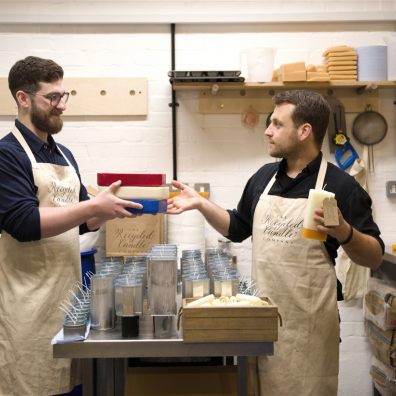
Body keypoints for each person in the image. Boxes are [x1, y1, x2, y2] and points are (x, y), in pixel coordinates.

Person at [167, 89, 384, 396]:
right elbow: (237, 227)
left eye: (277, 124)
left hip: (309, 330)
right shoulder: (263, 178)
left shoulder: (341, 186)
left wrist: (345, 232)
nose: (268, 131)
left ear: (304, 130)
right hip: (262, 325)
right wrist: (202, 204)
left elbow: (374, 257)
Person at [0, 56, 142, 396]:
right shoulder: (7, 155)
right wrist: (91, 206)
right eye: (52, 97)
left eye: (65, 96)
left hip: (67, 302)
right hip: (27, 306)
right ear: (23, 98)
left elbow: (77, 222)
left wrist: (105, 212)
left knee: (67, 386)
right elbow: (23, 222)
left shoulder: (63, 155)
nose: (61, 105)